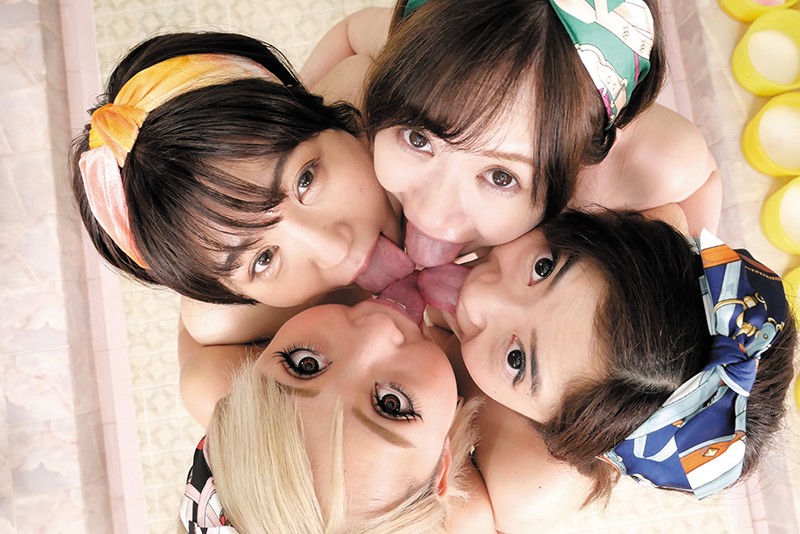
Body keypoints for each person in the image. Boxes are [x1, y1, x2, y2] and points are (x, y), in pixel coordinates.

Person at [304, 0, 722, 267]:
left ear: (580, 160)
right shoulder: (415, 57)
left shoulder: (654, 163)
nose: (432, 214)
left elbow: (702, 181)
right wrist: (294, 101)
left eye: (501, 177)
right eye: (418, 139)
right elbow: (351, 33)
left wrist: (687, 267)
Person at [436, 208, 797, 510]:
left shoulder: (522, 487)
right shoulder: (647, 195)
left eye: (516, 360)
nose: (478, 295)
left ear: (553, 437)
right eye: (544, 267)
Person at [69, 32, 413, 346]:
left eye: (305, 181)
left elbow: (353, 36)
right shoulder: (226, 320)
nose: (335, 249)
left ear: (324, 115)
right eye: (264, 260)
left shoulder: (368, 94)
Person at [178, 284, 495, 533]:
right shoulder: (466, 517)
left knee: (204, 344)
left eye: (305, 364)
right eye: (392, 404)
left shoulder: (215, 388)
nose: (378, 328)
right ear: (441, 469)